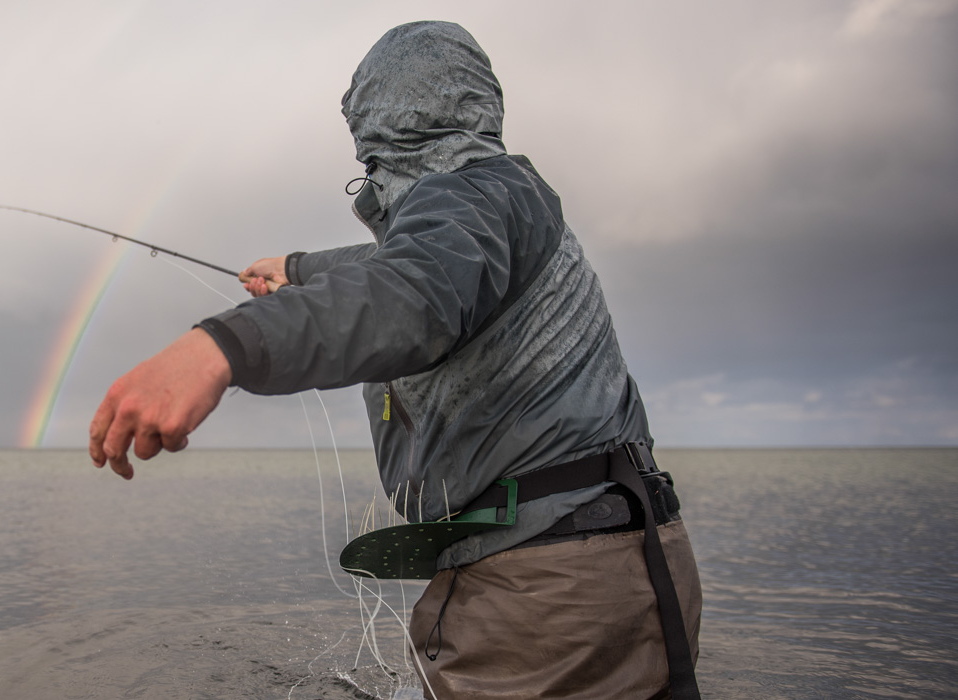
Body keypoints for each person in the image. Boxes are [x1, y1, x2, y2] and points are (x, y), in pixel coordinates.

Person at [89, 21, 702, 700]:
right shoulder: (502, 202)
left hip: (550, 587)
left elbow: (409, 293)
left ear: (389, 136)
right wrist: (298, 269)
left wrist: (219, 347)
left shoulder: (477, 196)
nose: (371, 178)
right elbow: (403, 265)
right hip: (610, 554)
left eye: (371, 161)